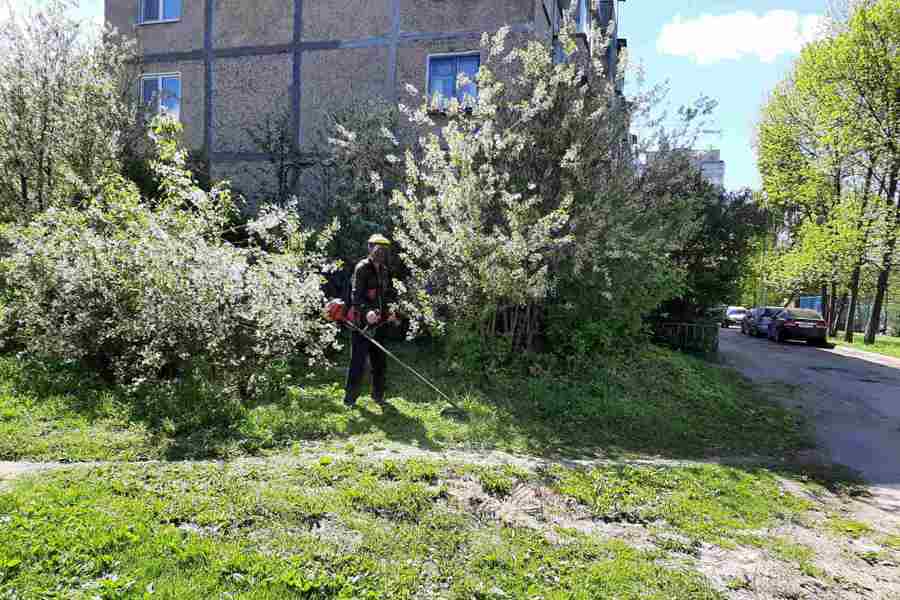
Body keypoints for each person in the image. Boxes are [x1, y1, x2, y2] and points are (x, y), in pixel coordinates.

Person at [344, 234, 398, 408]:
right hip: (362, 323)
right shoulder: (361, 268)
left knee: (379, 361)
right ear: (370, 248)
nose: (381, 252)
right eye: (378, 248)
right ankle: (350, 399)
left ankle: (378, 395)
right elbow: (355, 296)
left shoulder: (384, 270)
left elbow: (385, 295)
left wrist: (389, 312)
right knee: (357, 362)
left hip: (380, 323)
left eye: (384, 249)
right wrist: (367, 312)